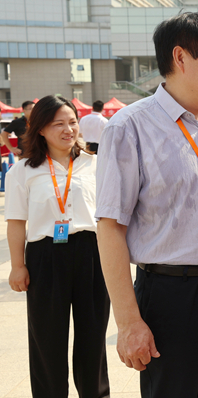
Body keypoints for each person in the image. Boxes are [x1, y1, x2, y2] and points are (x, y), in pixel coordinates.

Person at [95, 12, 198, 398]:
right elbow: (110, 227)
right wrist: (129, 321)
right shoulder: (129, 128)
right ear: (180, 58)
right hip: (171, 295)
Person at [5, 95, 110, 398]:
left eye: (73, 122)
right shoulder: (23, 170)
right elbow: (15, 222)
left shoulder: (96, 164)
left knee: (93, 337)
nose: (69, 129)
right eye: (58, 124)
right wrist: (17, 266)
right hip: (45, 257)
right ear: (39, 129)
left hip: (92, 253)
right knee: (47, 339)